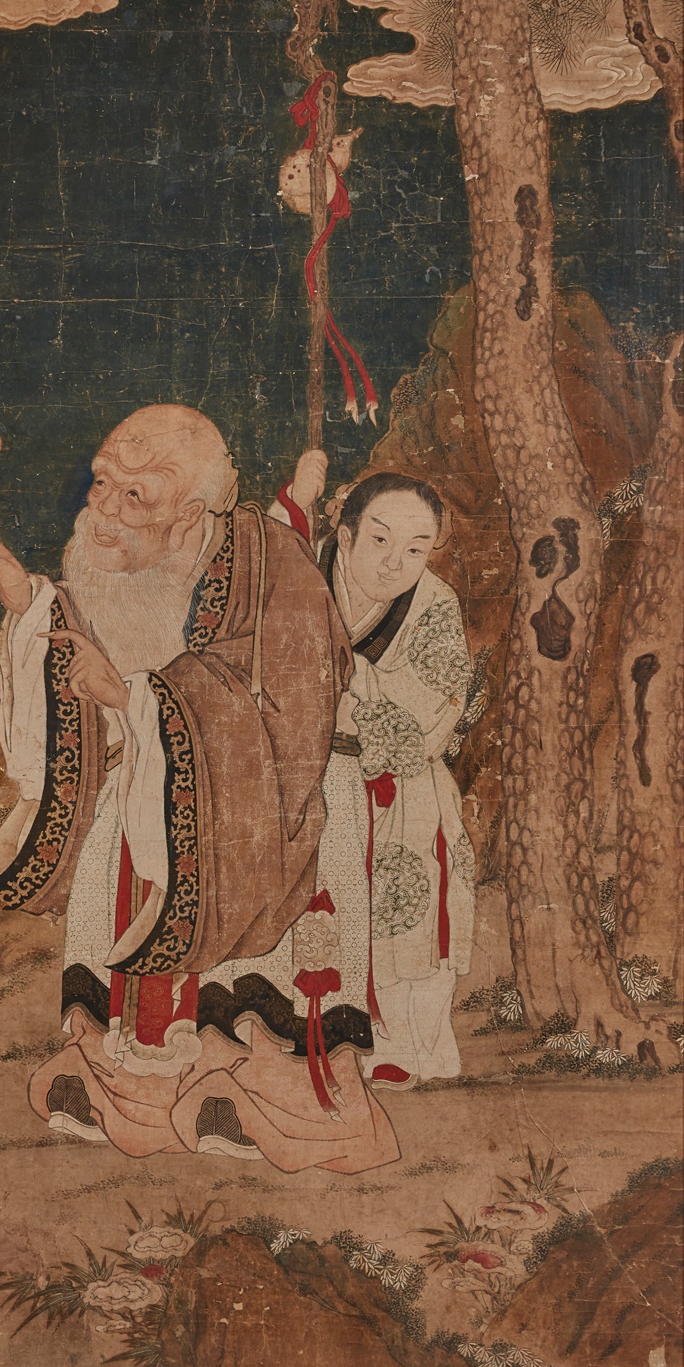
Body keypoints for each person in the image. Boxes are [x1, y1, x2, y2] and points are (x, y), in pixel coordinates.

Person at [0, 406, 401, 1174]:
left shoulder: (271, 565)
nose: (104, 508)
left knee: (258, 936)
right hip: (154, 774)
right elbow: (88, 654)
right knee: (114, 851)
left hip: (275, 801)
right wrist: (29, 606)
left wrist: (136, 698)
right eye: (103, 482)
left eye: (135, 497)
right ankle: (133, 1092)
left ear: (191, 513)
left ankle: (276, 1105)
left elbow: (290, 709)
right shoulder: (117, 561)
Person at [270, 461, 478, 1088]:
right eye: (381, 539)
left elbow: (438, 702)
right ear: (347, 531)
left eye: (416, 549)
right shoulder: (300, 573)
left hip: (401, 783)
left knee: (405, 900)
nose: (395, 563)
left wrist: (355, 683)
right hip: (304, 774)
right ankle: (309, 1033)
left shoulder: (435, 604)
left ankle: (407, 1043)